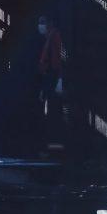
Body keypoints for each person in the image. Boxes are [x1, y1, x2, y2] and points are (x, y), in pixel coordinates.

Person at [38, 15, 64, 144]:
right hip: (49, 76)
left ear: (50, 22)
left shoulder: (54, 36)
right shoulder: (49, 37)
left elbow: (58, 59)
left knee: (51, 110)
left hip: (52, 76)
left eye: (43, 22)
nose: (40, 25)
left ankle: (52, 143)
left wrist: (59, 78)